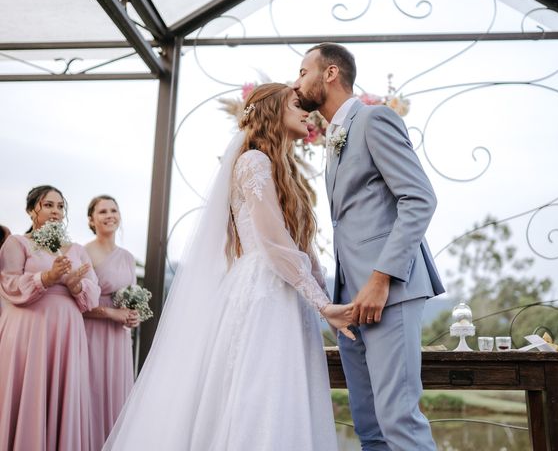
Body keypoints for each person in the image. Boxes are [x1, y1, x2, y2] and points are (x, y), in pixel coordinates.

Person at [104, 83, 354, 450]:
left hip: (288, 293)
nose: (307, 113)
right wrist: (322, 304)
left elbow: (300, 247)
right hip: (263, 293)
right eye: (296, 105)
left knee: (283, 394)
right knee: (258, 395)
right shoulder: (254, 161)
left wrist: (322, 295)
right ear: (272, 111)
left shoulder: (284, 170)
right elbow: (271, 241)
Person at [294, 43, 445, 451]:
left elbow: (419, 198)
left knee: (399, 421)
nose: (297, 82)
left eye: (303, 71)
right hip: (350, 302)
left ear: (330, 73)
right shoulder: (333, 140)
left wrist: (381, 278)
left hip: (388, 292)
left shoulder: (375, 118)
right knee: (369, 428)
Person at [0, 185, 100, 450]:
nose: (55, 211)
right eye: (48, 205)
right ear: (32, 210)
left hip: (66, 334)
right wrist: (47, 277)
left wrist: (76, 285)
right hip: (28, 332)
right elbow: (9, 284)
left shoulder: (76, 250)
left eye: (60, 206)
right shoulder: (18, 243)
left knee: (62, 398)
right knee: (28, 392)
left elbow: (93, 291)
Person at [83, 195, 139, 450]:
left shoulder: (128, 257)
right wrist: (111, 313)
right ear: (91, 220)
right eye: (102, 211)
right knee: (91, 393)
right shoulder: (83, 252)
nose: (109, 215)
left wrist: (132, 315)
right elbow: (79, 303)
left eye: (113, 210)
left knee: (118, 396)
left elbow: (133, 299)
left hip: (118, 337)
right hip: (92, 333)